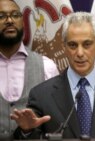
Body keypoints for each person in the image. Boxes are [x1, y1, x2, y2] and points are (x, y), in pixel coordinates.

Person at [0, 0, 59, 139]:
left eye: (15, 15)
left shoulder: (47, 67)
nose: (9, 20)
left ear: (23, 21)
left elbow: (55, 121)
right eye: (1, 16)